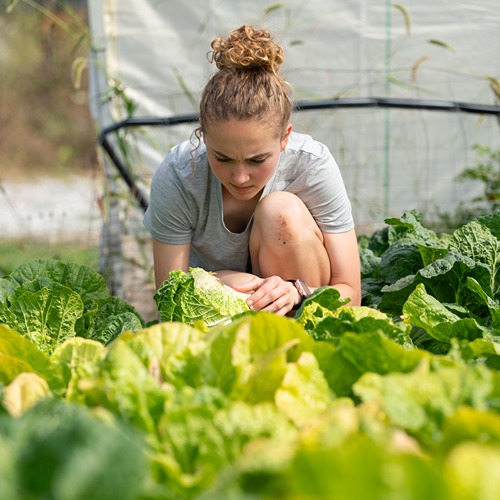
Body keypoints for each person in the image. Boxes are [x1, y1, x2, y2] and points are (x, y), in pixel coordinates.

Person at [143, 24, 361, 315]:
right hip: (218, 316)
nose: (240, 177)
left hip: (300, 302)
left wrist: (297, 291)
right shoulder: (179, 175)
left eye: (257, 160)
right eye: (222, 158)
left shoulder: (312, 164)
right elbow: (170, 299)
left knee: (281, 212)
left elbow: (350, 292)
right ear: (203, 137)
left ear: (285, 137)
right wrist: (223, 280)